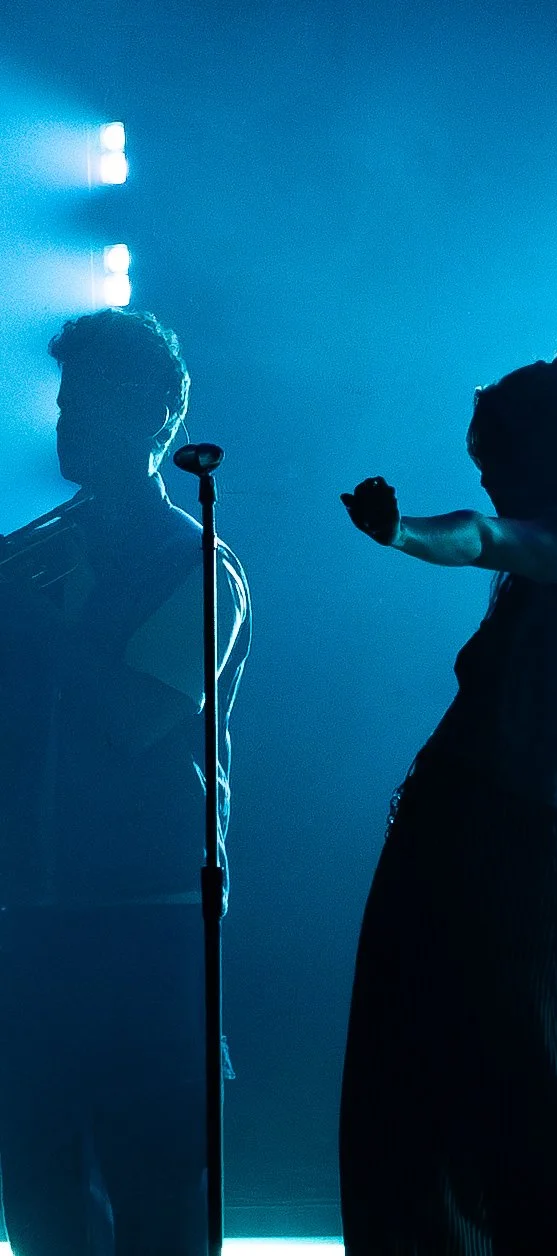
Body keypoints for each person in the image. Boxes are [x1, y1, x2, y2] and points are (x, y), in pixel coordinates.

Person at [339, 356, 557, 1255]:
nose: (485, 478)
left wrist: (402, 532)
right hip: (469, 849)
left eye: (496, 458)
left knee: (533, 1091)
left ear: (549, 452)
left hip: (505, 856)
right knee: (444, 1094)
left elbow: (480, 534)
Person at [0, 308, 251, 1255]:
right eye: (66, 402)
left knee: (157, 1198)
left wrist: (35, 627)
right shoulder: (36, 558)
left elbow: (136, 717)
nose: (67, 422)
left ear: (158, 415)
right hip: (32, 917)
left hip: (148, 925)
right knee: (38, 1190)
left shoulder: (198, 565)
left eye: (92, 403)